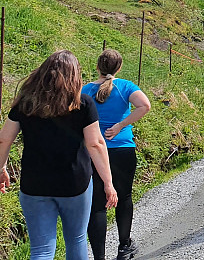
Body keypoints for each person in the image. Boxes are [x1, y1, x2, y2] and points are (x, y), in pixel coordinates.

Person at [0, 50, 117, 260]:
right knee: (77, 239)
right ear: (75, 75)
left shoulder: (25, 102)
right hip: (74, 184)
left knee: (41, 249)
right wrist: (108, 183)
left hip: (34, 185)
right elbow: (96, 144)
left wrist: (1, 168)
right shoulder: (83, 104)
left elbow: (3, 139)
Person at [82, 49, 151, 260]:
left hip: (93, 151)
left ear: (97, 67)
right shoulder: (125, 87)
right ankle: (124, 246)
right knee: (124, 196)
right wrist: (121, 125)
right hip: (122, 149)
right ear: (119, 67)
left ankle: (99, 257)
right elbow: (144, 105)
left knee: (96, 205)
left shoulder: (85, 90)